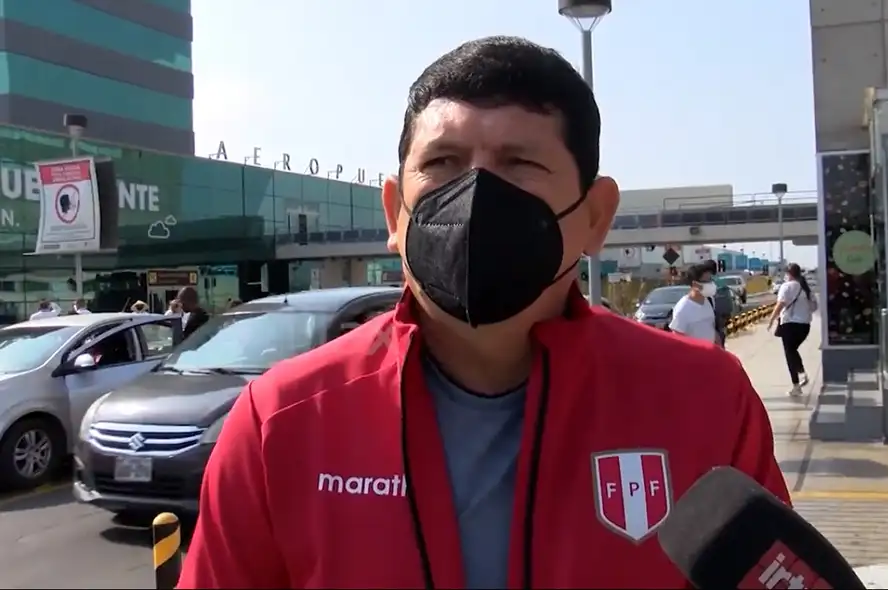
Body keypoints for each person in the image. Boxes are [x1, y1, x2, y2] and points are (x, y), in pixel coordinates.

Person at [178, 36, 787, 589]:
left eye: (519, 163)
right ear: (394, 213)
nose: (475, 195)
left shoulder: (705, 399)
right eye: (442, 163)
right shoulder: (281, 421)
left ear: (596, 217)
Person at [767, 263, 816, 396]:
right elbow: (814, 307)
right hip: (805, 326)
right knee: (792, 350)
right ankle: (801, 374)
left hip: (789, 324)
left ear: (788, 274)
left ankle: (797, 383)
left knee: (789, 353)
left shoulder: (786, 286)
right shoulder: (806, 288)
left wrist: (771, 320)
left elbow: (780, 304)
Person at [668, 263, 721, 345]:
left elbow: (711, 328)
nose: (710, 284)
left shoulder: (709, 301)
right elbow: (677, 339)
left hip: (709, 355)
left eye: (711, 279)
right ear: (695, 284)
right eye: (706, 281)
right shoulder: (682, 309)